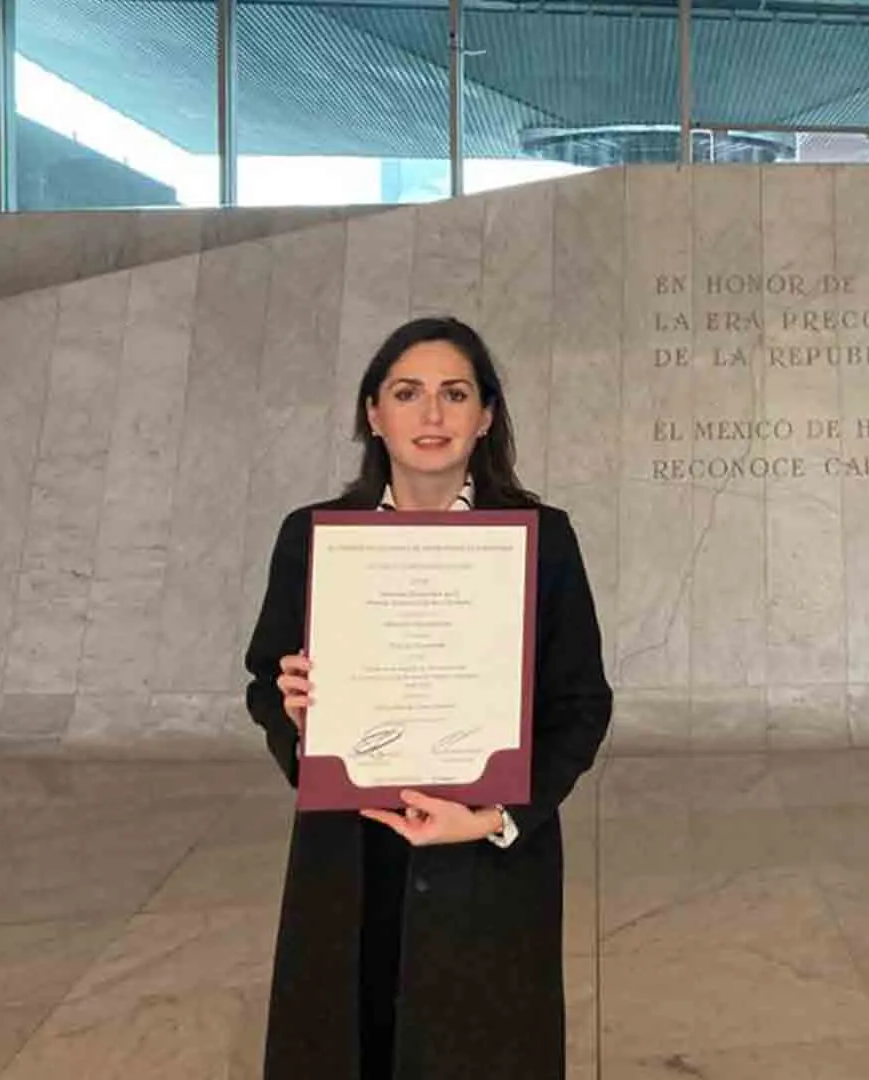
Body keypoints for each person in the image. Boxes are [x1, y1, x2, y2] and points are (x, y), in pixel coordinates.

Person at [244, 316, 612, 1080]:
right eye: (408, 393)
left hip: (485, 857)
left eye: (455, 393)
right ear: (373, 414)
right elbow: (262, 680)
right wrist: (299, 721)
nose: (433, 415)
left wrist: (498, 817)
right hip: (348, 854)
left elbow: (581, 705)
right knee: (352, 1042)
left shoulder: (543, 540)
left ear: (485, 417)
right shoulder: (312, 537)